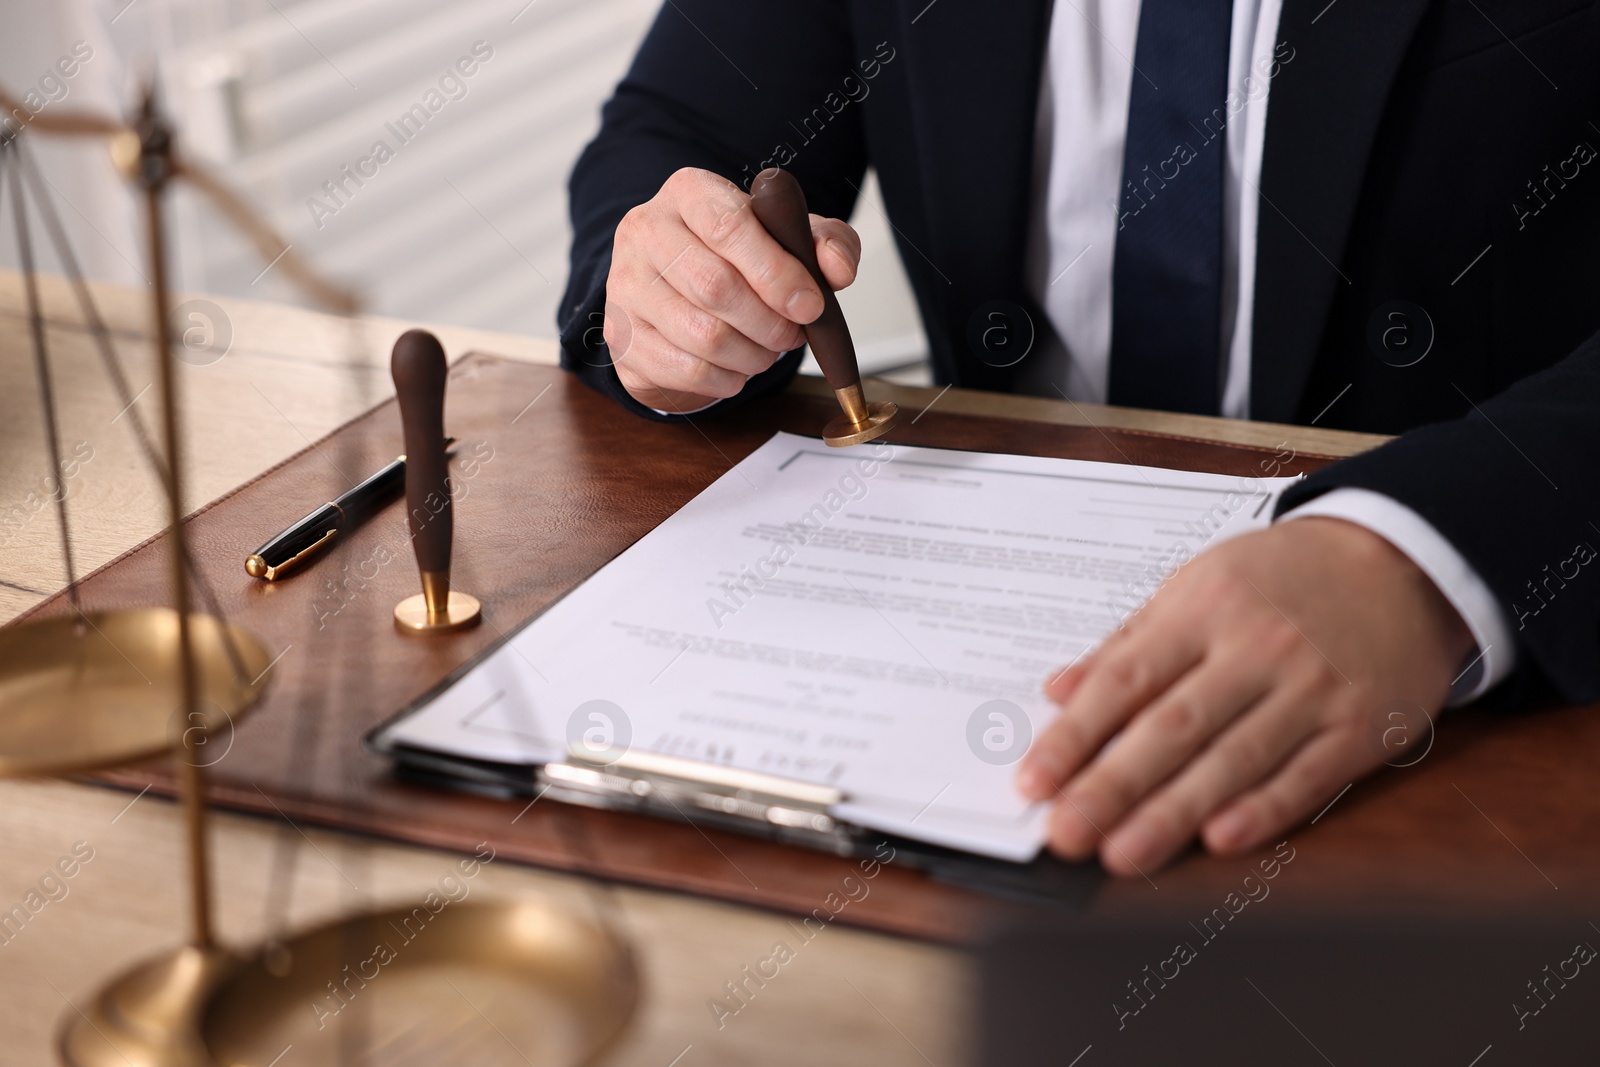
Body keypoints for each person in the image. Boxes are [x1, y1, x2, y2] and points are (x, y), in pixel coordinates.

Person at [558, 0, 1600, 875]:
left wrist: (1424, 562)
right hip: (962, 666)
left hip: (1463, 719)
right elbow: (681, 125)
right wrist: (669, 283)